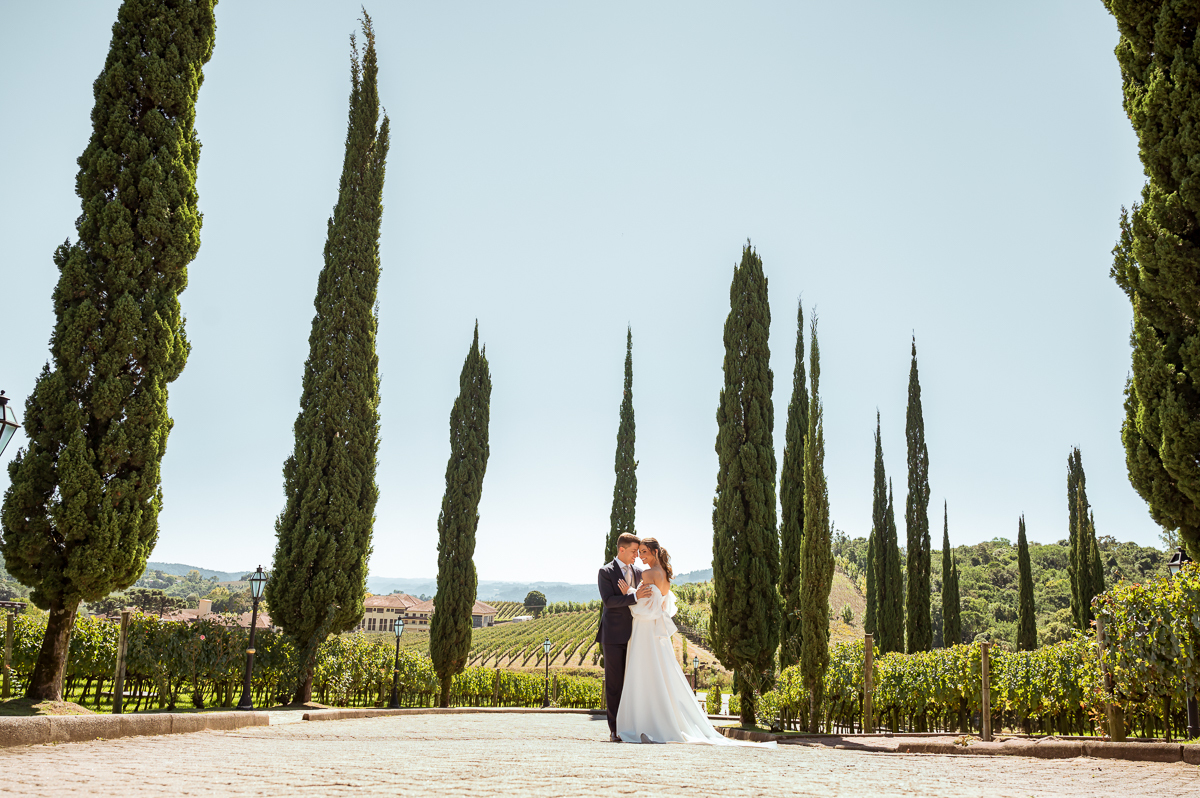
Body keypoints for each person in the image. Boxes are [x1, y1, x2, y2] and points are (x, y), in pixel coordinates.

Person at [614, 537, 774, 747]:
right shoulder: (665, 577)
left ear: (653, 551)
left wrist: (629, 593)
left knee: (643, 671)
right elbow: (663, 607)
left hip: (645, 630)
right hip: (657, 634)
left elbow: (644, 609)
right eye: (639, 552)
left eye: (644, 552)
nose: (641, 557)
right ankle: (657, 719)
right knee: (659, 672)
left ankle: (643, 721)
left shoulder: (647, 574)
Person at [596, 532, 651, 742]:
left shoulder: (639, 572)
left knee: (635, 682)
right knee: (615, 684)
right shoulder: (606, 572)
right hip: (613, 637)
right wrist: (634, 596)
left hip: (637, 635)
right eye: (634, 551)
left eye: (638, 552)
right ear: (621, 550)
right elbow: (609, 601)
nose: (637, 555)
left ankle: (634, 726)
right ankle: (615, 729)